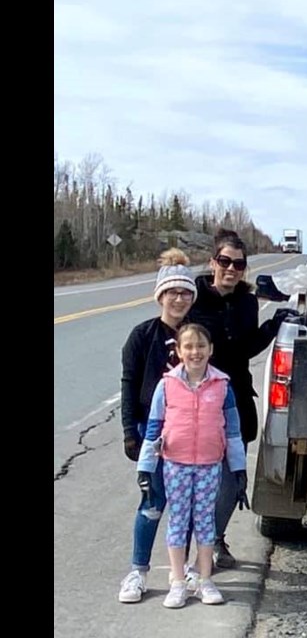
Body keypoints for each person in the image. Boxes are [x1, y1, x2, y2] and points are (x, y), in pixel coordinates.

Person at [186, 228, 298, 568]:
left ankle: (215, 539)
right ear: (213, 262)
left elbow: (246, 349)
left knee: (232, 477)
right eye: (225, 261)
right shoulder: (193, 299)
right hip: (198, 401)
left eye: (238, 264)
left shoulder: (248, 302)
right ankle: (189, 548)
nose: (231, 269)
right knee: (196, 478)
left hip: (235, 399)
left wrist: (271, 327)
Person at [136, 323, 249, 608]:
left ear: (210, 350)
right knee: (178, 520)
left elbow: (233, 432)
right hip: (175, 464)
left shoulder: (223, 385)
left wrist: (238, 470)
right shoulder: (167, 384)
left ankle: (204, 579)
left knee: (205, 522)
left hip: (210, 465)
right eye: (188, 346)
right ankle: (177, 581)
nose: (194, 352)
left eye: (200, 346)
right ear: (178, 351)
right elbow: (153, 428)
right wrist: (145, 468)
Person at [117, 249, 197, 604]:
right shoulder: (141, 335)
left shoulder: (198, 339)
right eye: (172, 292)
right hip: (152, 430)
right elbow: (129, 383)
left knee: (189, 502)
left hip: (191, 433)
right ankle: (138, 571)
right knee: (153, 500)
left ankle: (186, 570)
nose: (178, 299)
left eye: (185, 293)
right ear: (160, 296)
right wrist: (129, 432)